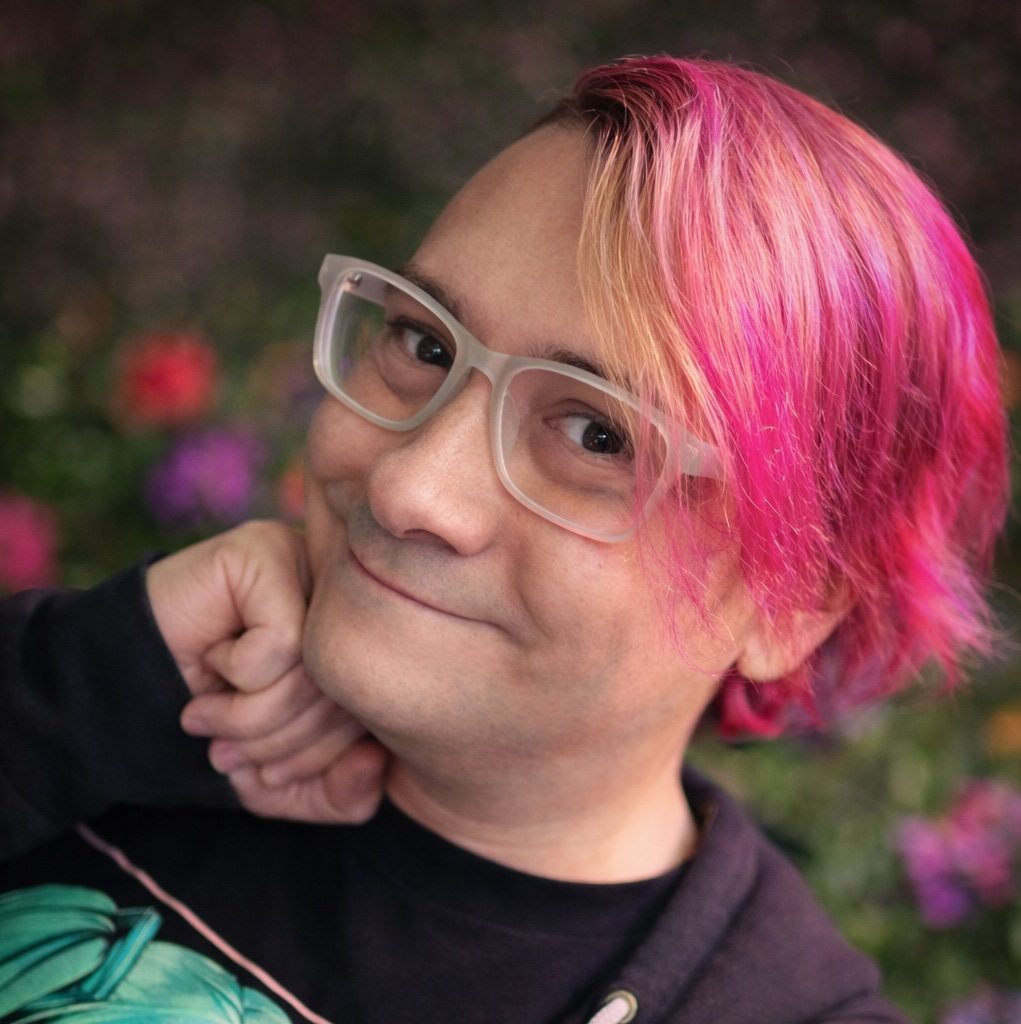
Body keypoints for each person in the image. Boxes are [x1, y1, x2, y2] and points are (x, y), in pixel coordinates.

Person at [0, 54, 1008, 1024]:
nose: (408, 487)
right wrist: (80, 685)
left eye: (598, 435)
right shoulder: (98, 699)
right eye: (422, 341)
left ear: (791, 602)